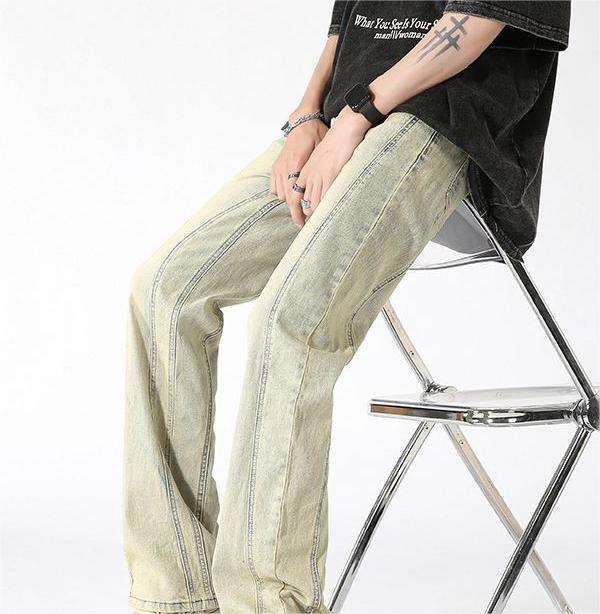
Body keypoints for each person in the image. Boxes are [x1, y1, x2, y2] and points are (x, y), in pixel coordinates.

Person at [124, 2, 571, 612]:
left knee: (291, 316)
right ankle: (176, 597)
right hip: (342, 123)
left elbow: (476, 23)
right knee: (165, 290)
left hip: (440, 116)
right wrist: (307, 116)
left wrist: (358, 115)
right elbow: (347, 22)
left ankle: (268, 602)